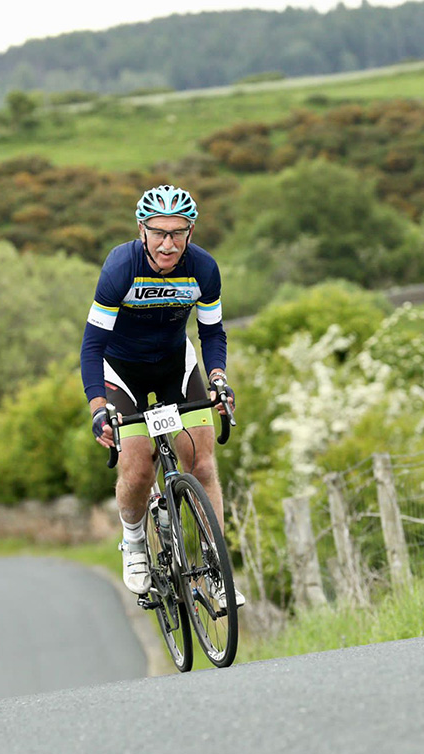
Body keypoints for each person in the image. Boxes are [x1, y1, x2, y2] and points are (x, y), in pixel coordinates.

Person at [80, 184, 244, 609]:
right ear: (142, 230)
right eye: (158, 232)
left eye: (177, 233)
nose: (168, 244)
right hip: (122, 372)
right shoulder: (121, 268)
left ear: (190, 232)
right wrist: (98, 408)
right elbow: (92, 347)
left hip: (175, 366)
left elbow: (212, 332)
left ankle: (216, 568)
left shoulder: (203, 268)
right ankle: (134, 541)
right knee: (137, 471)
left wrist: (218, 379)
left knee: (202, 465)